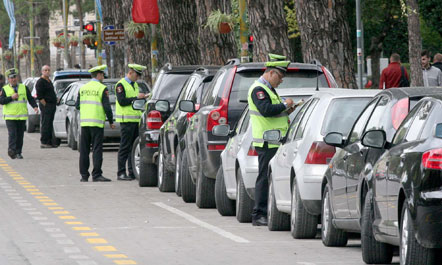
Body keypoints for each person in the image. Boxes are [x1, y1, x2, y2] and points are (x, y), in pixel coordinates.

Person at [247, 54, 298, 226]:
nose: (281, 81)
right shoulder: (258, 90)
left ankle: (267, 212)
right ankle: (258, 214)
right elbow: (266, 110)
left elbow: (273, 113)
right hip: (267, 141)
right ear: (271, 73)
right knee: (264, 177)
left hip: (275, 140)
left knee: (270, 177)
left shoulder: (268, 89)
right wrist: (285, 104)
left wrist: (288, 110)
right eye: (280, 77)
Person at [75, 65, 115, 182]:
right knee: (97, 149)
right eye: (102, 75)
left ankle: (84, 175)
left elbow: (77, 105)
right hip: (97, 123)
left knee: (84, 150)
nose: (103, 77)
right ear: (98, 75)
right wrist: (111, 121)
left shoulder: (83, 88)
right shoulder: (102, 88)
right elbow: (107, 107)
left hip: (85, 123)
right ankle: (96, 174)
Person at [115, 64, 149, 181]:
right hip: (126, 121)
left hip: (135, 120)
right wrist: (136, 97)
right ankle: (121, 172)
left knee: (133, 148)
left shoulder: (134, 84)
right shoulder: (121, 85)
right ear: (131, 72)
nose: (138, 78)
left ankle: (131, 171)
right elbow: (122, 101)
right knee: (125, 147)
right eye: (137, 75)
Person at [0, 68, 38, 159]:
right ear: (8, 79)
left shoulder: (24, 87)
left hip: (21, 116)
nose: (13, 79)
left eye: (14, 77)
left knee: (20, 135)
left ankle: (18, 152)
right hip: (10, 117)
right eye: (11, 78)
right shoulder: (4, 89)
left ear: (17, 78)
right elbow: (1, 101)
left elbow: (30, 98)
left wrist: (35, 106)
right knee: (12, 134)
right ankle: (12, 150)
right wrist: (11, 97)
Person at [36, 65, 58, 148]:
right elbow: (40, 96)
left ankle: (50, 142)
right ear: (42, 71)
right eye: (45, 70)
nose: (47, 71)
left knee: (50, 124)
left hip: (52, 104)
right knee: (46, 123)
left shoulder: (49, 80)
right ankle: (44, 142)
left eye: (48, 70)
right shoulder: (40, 81)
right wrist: (45, 105)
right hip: (46, 105)